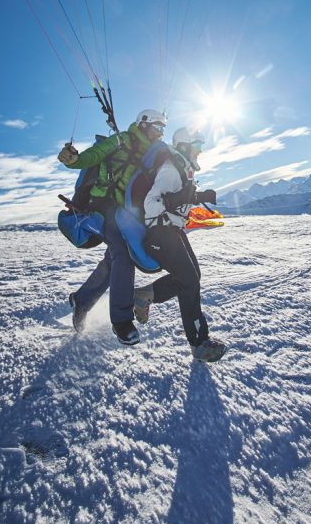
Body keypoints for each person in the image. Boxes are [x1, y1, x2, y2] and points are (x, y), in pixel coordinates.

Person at [58, 109, 168, 346]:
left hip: (125, 213)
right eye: (157, 128)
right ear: (143, 124)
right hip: (102, 205)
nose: (160, 134)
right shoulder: (121, 140)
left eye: (163, 130)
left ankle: (82, 299)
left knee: (116, 256)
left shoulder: (150, 154)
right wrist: (74, 160)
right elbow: (94, 155)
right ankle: (121, 321)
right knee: (122, 253)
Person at [134, 127, 226, 363]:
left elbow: (179, 198)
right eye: (197, 146)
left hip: (172, 231)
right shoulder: (170, 169)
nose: (200, 151)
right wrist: (184, 197)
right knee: (190, 281)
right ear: (184, 146)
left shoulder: (182, 170)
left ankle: (145, 295)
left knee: (192, 276)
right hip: (160, 233)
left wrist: (199, 196)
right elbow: (151, 204)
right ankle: (199, 343)